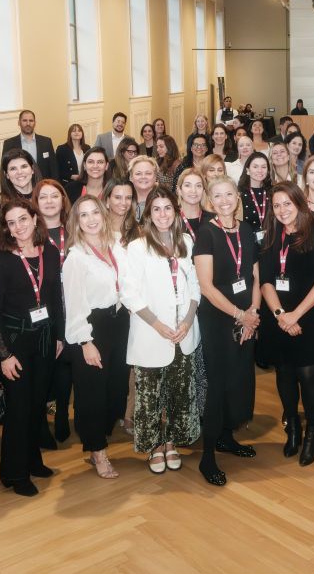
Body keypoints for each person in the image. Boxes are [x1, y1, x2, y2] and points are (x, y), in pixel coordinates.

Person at [0, 200, 65, 497]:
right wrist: (4, 355)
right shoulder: (2, 260)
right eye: (11, 222)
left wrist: (59, 336)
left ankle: (33, 461)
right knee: (18, 409)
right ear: (6, 228)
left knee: (36, 405)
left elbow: (56, 298)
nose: (18, 226)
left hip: (44, 341)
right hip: (15, 344)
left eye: (23, 219)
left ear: (34, 219)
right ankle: (14, 473)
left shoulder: (52, 253)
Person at [122, 190, 203, 478]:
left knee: (178, 391)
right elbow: (128, 293)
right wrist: (158, 325)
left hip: (183, 333)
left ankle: (171, 441)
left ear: (176, 211)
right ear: (148, 215)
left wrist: (188, 321)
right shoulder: (137, 247)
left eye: (167, 208)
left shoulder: (187, 241)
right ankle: (155, 444)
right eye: (156, 209)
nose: (163, 214)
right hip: (151, 333)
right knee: (151, 394)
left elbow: (195, 286)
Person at [193, 175, 263, 486]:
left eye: (229, 194)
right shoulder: (206, 234)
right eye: (217, 196)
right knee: (218, 385)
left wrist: (253, 314)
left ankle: (226, 438)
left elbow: (255, 277)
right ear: (210, 201)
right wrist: (240, 316)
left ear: (237, 197)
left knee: (238, 380)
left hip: (246, 316)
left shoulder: (247, 230)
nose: (224, 201)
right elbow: (206, 287)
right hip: (219, 320)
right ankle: (207, 457)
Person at [258, 183, 314, 466]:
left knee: (308, 374)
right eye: (276, 205)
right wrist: (281, 315)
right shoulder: (271, 236)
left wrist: (295, 316)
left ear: (299, 203)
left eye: (287, 204)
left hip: (310, 318)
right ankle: (293, 426)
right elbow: (265, 280)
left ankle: (313, 430)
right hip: (278, 318)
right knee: (284, 373)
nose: (282, 210)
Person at [61, 195, 132, 479]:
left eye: (95, 213)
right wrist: (85, 342)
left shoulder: (115, 246)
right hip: (92, 328)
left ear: (103, 215)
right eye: (83, 215)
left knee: (115, 389)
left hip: (119, 322)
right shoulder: (76, 257)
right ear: (76, 222)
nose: (91, 219)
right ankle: (98, 451)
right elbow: (74, 305)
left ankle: (99, 440)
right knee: (92, 394)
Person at [3, 110, 60, 182]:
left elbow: (53, 167)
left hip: (42, 184)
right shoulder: (9, 144)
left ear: (35, 123)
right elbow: (5, 170)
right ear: (19, 123)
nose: (28, 123)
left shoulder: (46, 142)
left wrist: (55, 185)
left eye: (31, 121)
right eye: (24, 120)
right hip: (19, 184)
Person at [0, 149, 38, 223]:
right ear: (6, 174)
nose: (19, 172)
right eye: (13, 169)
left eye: (24, 166)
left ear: (32, 169)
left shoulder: (44, 197)